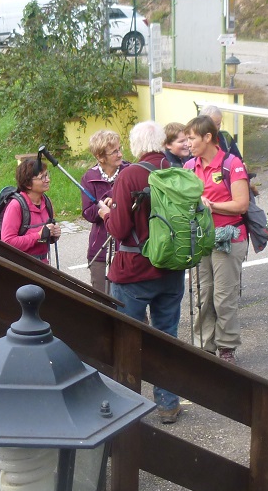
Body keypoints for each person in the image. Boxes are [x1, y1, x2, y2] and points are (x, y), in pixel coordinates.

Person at [105, 121, 186, 423]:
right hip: (173, 268)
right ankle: (168, 405)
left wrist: (107, 214)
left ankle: (128, 407)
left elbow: (120, 228)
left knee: (127, 340)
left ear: (137, 146)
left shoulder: (130, 175)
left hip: (135, 271)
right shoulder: (178, 171)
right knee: (167, 337)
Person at [183, 114, 248, 361]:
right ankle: (204, 347)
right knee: (202, 294)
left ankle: (227, 347)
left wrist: (212, 206)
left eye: (192, 138)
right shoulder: (189, 167)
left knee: (223, 296)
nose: (188, 143)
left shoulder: (232, 164)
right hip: (200, 237)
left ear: (208, 137)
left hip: (228, 237)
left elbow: (241, 204)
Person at [82, 129, 124, 295]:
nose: (120, 154)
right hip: (100, 248)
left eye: (120, 149)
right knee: (103, 299)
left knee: (130, 304)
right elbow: (89, 213)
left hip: (126, 248)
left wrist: (116, 202)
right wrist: (105, 204)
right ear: (100, 157)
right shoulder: (89, 177)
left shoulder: (130, 171)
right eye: (115, 151)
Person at [0, 156, 60, 262]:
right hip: (22, 268)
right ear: (28, 184)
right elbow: (7, 242)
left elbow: (42, 240)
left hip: (43, 264)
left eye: (47, 175)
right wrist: (38, 235)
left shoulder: (47, 202)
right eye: (43, 177)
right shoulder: (16, 206)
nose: (48, 180)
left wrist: (52, 234)